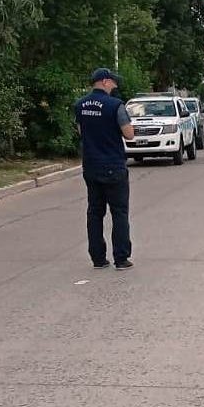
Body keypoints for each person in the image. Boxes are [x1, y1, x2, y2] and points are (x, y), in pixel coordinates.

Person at [74, 68, 135, 270]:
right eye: (114, 83)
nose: (115, 87)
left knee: (94, 212)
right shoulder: (115, 105)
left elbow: (81, 131)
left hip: (91, 165)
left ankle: (98, 258)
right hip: (113, 165)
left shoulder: (80, 105)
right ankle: (121, 258)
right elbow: (129, 134)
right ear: (106, 82)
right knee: (119, 212)